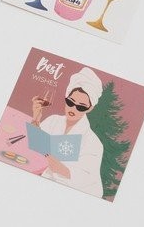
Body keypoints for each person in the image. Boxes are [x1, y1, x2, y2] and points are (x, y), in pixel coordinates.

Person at [31, 67, 104, 198]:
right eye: (70, 102)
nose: (73, 108)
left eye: (81, 106)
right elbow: (33, 146)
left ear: (90, 108)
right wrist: (36, 119)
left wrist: (55, 162)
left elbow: (83, 178)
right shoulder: (53, 120)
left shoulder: (93, 143)